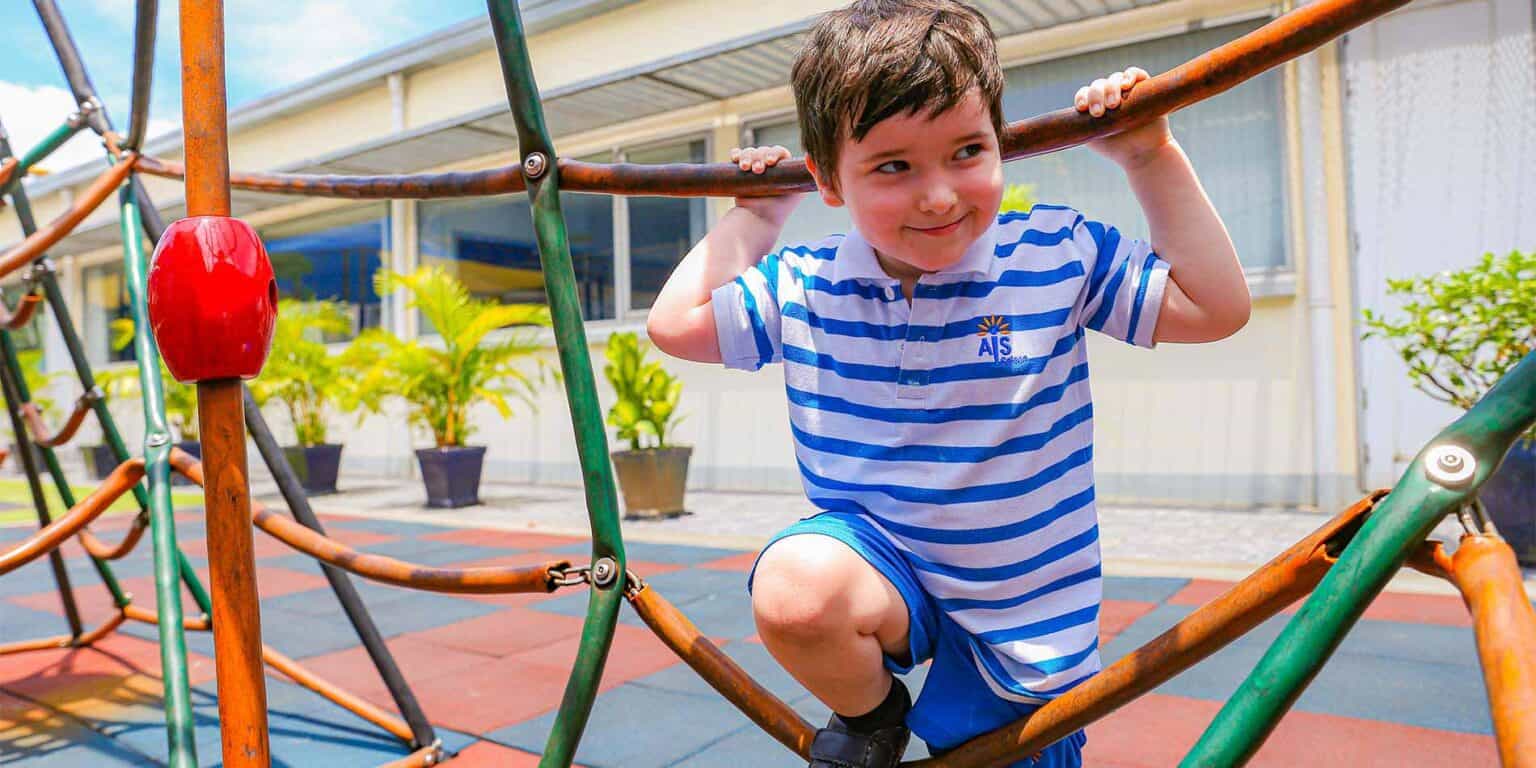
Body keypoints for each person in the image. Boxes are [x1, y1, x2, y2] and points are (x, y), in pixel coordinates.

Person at [646, 1, 1250, 765]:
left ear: (999, 143)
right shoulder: (808, 283)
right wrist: (756, 222)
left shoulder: (1051, 254)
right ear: (830, 179)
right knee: (795, 592)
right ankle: (873, 718)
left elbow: (1215, 308)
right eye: (894, 166)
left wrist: (1149, 158)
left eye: (967, 151)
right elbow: (676, 324)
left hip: (1021, 613)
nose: (938, 195)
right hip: (880, 573)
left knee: (998, 754)